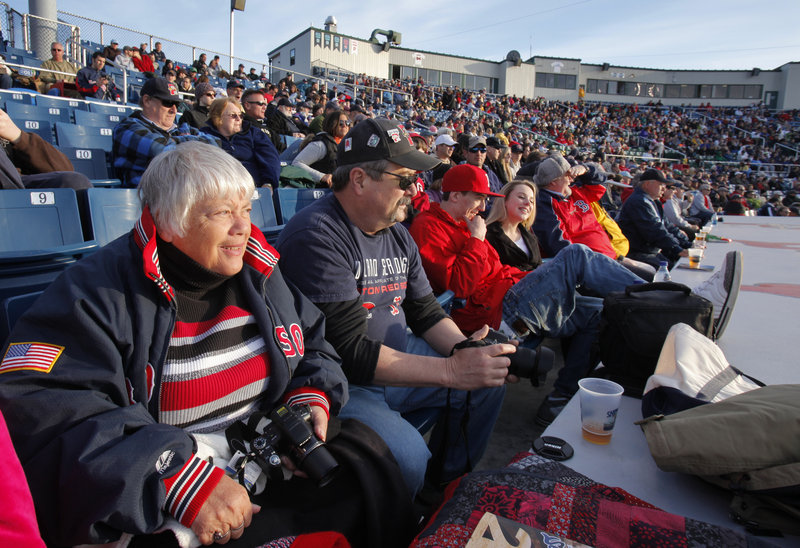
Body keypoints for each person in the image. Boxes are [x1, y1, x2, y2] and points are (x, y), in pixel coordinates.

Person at [0, 141, 414, 548]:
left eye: (247, 210)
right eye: (222, 213)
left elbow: (314, 344)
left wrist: (310, 399)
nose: (243, 228)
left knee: (373, 479)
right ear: (167, 221)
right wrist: (175, 479)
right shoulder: (94, 293)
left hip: (268, 457)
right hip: (173, 486)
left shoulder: (259, 271)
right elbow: (45, 412)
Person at [276, 117, 508, 498]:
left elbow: (426, 312)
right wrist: (452, 370)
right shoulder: (316, 236)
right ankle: (402, 517)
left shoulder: (396, 233)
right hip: (347, 383)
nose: (415, 190)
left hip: (398, 358)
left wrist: (465, 352)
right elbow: (349, 352)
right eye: (404, 180)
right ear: (360, 181)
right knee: (408, 457)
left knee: (487, 382)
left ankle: (441, 492)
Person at [409, 165, 645, 425]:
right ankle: (649, 298)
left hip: (512, 298)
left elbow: (499, 270)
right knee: (575, 254)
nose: (484, 206)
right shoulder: (428, 227)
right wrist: (477, 239)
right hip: (492, 316)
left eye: (487, 199)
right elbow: (461, 286)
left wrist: (537, 278)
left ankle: (559, 398)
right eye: (479, 197)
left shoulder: (467, 222)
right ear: (455, 196)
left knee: (599, 311)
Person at [532, 155, 655, 280]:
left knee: (653, 271)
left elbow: (600, 184)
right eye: (567, 175)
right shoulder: (545, 204)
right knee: (649, 279)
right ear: (553, 181)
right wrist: (591, 264)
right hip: (594, 267)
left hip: (611, 256)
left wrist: (586, 169)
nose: (572, 178)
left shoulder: (575, 192)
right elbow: (560, 245)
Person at [112, 77, 218, 187]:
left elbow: (216, 144)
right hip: (145, 198)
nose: (174, 110)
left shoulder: (182, 128)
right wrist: (190, 142)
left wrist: (173, 141)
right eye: (168, 103)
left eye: (176, 104)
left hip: (184, 194)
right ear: (147, 101)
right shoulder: (126, 128)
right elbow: (161, 150)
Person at [617, 168, 692, 270]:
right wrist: (677, 249)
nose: (664, 189)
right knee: (672, 270)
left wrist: (687, 244)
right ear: (647, 184)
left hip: (650, 251)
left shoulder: (653, 201)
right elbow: (654, 230)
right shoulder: (639, 202)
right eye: (661, 185)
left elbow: (668, 226)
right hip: (638, 253)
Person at [0, 109, 91, 190]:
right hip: (9, 195)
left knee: (76, 182)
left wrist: (18, 136)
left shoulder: (7, 135)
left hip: (20, 187)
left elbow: (65, 169)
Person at [201, 97, 280, 189]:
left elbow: (270, 159)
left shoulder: (254, 134)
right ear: (218, 117)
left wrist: (268, 183)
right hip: (218, 189)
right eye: (233, 115)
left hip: (252, 188)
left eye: (241, 115)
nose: (239, 119)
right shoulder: (205, 136)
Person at [291, 110, 349, 186]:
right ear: (331, 125)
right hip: (321, 191)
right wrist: (322, 176)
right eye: (341, 123)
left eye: (347, 123)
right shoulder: (321, 144)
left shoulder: (346, 144)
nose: (344, 125)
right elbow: (296, 163)